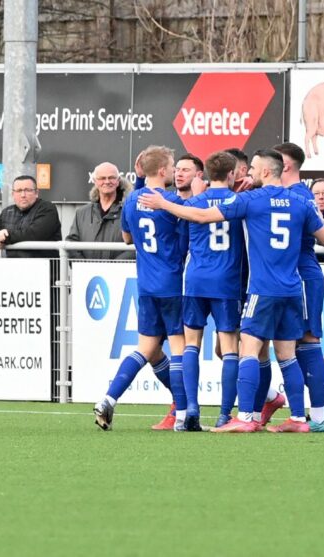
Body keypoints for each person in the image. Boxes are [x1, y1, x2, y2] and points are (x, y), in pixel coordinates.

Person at [141, 149, 324, 434]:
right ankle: (299, 418)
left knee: (249, 350)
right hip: (293, 289)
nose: (249, 172)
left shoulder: (250, 200)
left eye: (253, 168)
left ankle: (245, 416)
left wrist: (164, 204)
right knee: (287, 355)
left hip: (262, 290)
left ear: (267, 171)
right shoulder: (301, 201)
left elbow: (203, 216)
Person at [93, 146, 193, 431]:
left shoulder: (132, 199)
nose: (174, 171)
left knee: (146, 350)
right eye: (172, 166)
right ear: (162, 171)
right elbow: (185, 244)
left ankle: (109, 399)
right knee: (178, 347)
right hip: (172, 282)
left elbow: (126, 238)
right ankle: (183, 414)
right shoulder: (173, 202)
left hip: (146, 283)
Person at [272, 142, 324, 432]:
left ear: (285, 166)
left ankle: (316, 417)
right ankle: (322, 407)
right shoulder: (295, 195)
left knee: (308, 342)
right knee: (297, 344)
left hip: (301, 275)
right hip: (292, 275)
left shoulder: (298, 196)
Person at [176, 151, 244, 430]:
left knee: (191, 343)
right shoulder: (239, 202)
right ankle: (225, 414)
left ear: (204, 174)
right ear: (232, 174)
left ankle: (192, 407)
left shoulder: (194, 202)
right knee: (229, 348)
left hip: (195, 279)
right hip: (227, 282)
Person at [65, 162, 134, 260]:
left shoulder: (129, 211)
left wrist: (113, 266)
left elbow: (136, 244)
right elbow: (72, 243)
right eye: (102, 178)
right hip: (87, 273)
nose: (107, 181)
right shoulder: (81, 213)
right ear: (95, 181)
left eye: (111, 178)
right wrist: (83, 266)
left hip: (119, 273)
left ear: (118, 181)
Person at [0, 175, 61, 258]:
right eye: (18, 191)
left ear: (36, 193)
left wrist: (5, 237)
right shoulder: (8, 212)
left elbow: (33, 235)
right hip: (14, 267)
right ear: (13, 194)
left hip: (44, 267)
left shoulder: (47, 209)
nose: (23, 195)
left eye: (27, 190)